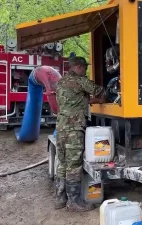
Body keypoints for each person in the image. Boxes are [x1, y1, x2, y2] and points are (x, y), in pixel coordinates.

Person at [55, 56, 106, 212]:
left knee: (62, 163)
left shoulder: (61, 82)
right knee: (74, 165)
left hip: (61, 127)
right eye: (84, 68)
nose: (85, 71)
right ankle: (74, 201)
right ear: (78, 67)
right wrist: (105, 95)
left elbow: (74, 100)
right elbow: (100, 90)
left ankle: (60, 198)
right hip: (74, 128)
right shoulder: (80, 81)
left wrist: (88, 100)